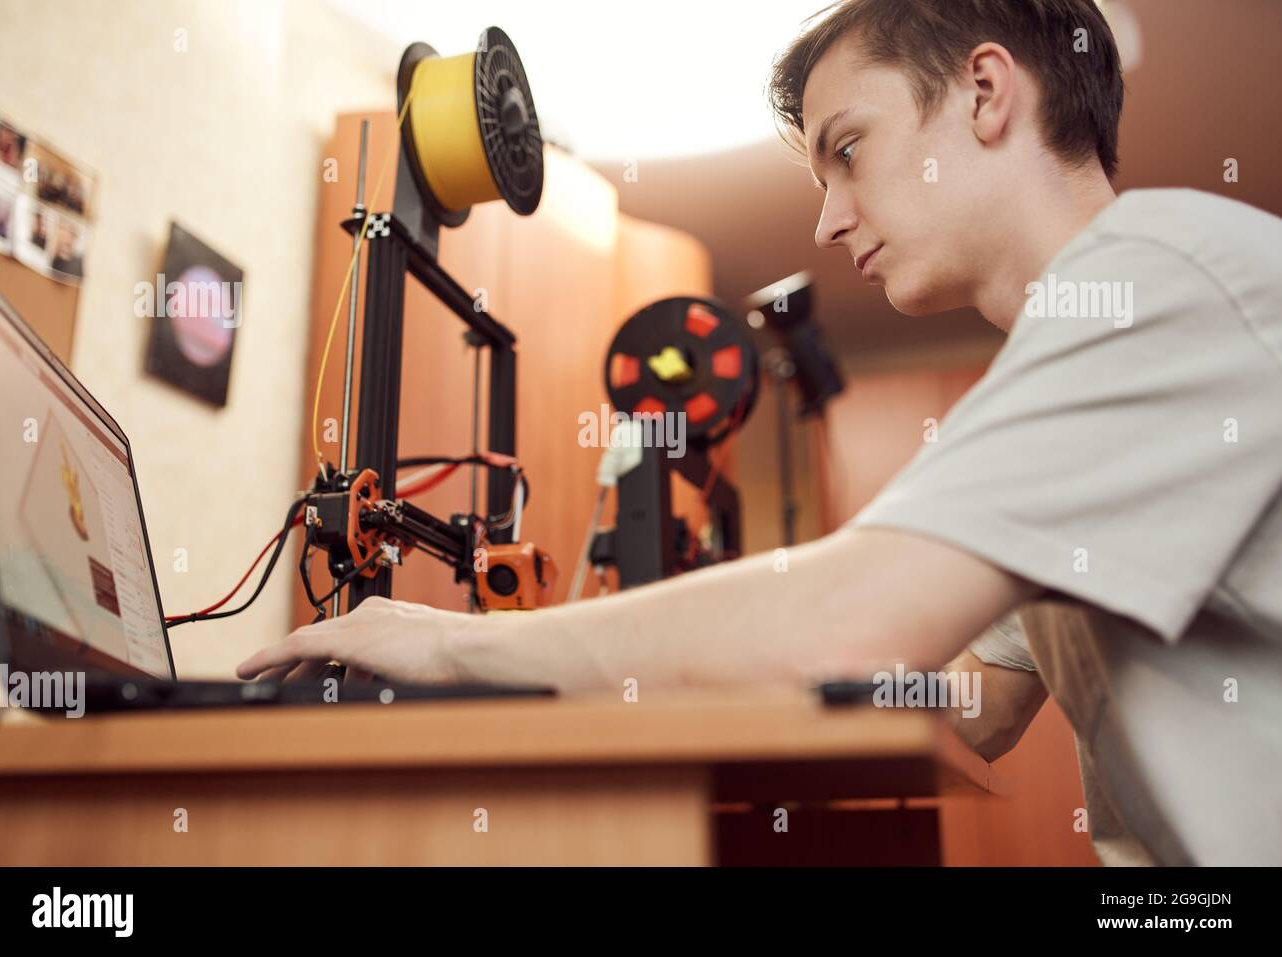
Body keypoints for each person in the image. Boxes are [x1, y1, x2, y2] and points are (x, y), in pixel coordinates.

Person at [239, 0, 1282, 865]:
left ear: (984, 91)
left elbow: (853, 623)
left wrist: (453, 646)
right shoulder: (1091, 355)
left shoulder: (1160, 277)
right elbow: (970, 702)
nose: (827, 220)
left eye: (848, 150)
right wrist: (686, 664)